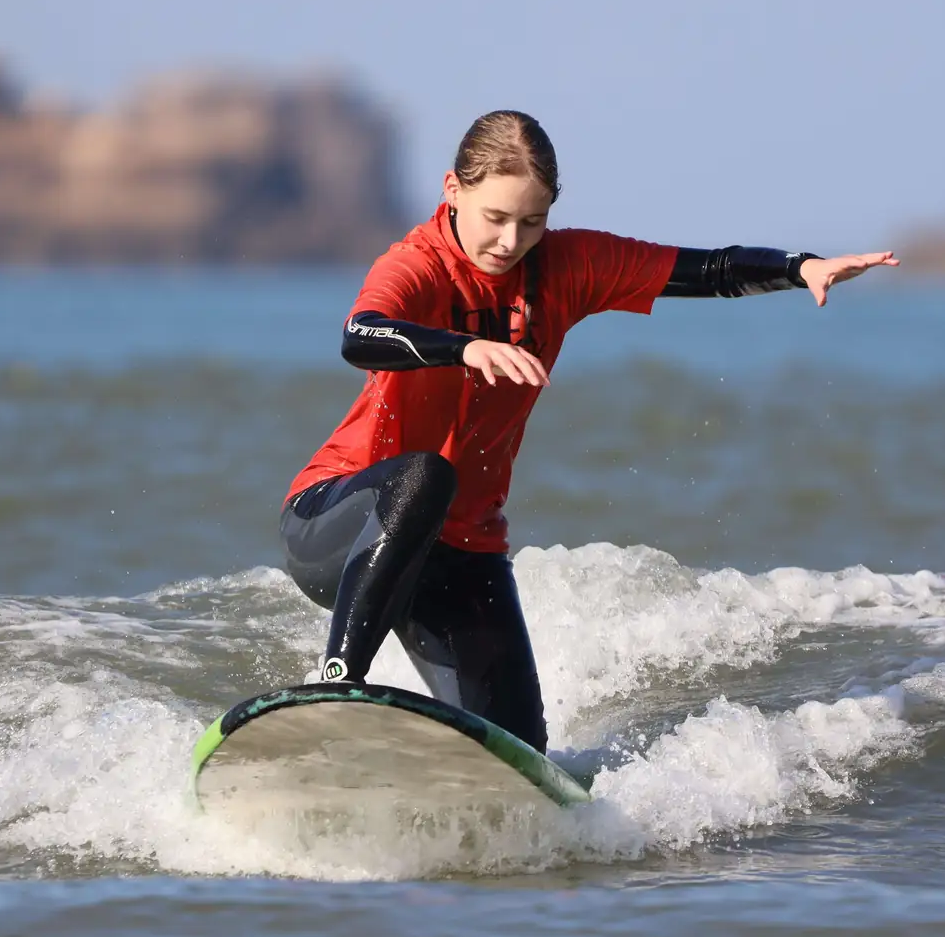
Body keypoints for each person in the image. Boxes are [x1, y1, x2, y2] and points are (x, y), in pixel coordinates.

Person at [279, 109, 897, 750]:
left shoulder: (565, 267)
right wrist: (462, 348)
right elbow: (361, 335)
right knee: (425, 477)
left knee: (517, 754)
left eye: (532, 222)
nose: (509, 241)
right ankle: (336, 686)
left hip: (458, 549)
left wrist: (801, 268)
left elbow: (705, 269)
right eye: (495, 217)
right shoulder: (418, 265)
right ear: (452, 191)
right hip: (343, 522)